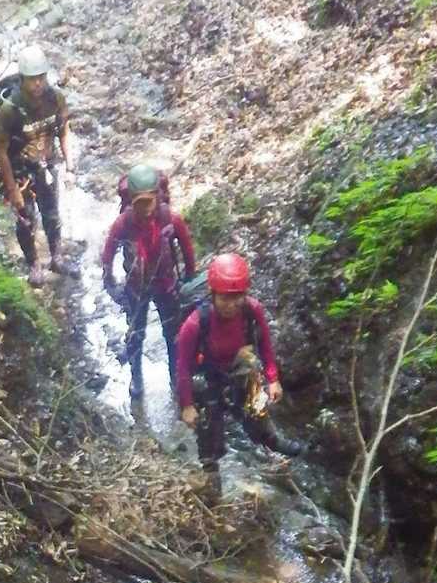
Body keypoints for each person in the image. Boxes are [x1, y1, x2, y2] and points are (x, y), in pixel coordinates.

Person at [175, 252, 303, 498]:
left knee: (253, 379)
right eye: (225, 297)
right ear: (213, 294)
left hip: (237, 366)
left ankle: (269, 437)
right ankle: (210, 469)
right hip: (207, 374)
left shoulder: (252, 310)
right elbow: (182, 368)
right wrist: (187, 405)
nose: (232, 304)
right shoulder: (195, 324)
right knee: (209, 422)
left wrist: (273, 379)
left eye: (237, 297)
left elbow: (265, 345)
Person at [101, 164, 196, 400]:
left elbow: (187, 249)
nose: (145, 209)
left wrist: (188, 277)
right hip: (136, 288)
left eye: (149, 202)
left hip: (166, 284)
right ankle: (136, 377)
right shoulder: (123, 224)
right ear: (131, 200)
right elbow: (108, 254)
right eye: (139, 203)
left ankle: (176, 375)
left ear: (157, 196)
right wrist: (110, 283)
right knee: (136, 333)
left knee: (172, 333)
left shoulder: (170, 219)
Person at [0, 45, 78, 287]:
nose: (38, 83)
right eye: (32, 79)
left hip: (46, 165)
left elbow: (64, 131)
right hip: (20, 171)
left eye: (41, 77)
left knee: (52, 214)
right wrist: (12, 189)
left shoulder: (55, 98)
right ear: (23, 79)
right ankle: (33, 264)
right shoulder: (10, 110)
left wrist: (70, 166)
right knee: (25, 218)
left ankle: (57, 258)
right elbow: (1, 150)